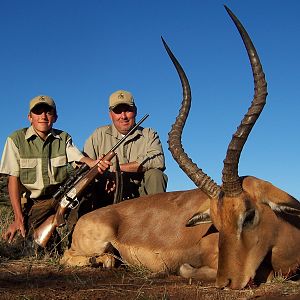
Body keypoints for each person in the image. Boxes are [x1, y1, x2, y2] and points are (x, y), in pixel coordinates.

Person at [0, 95, 96, 245]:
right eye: (38, 112)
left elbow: (79, 158)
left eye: (48, 112)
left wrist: (94, 163)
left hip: (60, 197)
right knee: (29, 242)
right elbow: (13, 179)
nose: (43, 116)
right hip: (34, 204)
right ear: (29, 117)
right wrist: (18, 217)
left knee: (82, 224)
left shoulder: (64, 137)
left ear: (55, 117)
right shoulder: (15, 139)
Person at [83, 89, 167, 207]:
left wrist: (116, 168)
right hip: (107, 194)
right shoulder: (98, 134)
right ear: (110, 114)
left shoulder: (149, 134)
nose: (123, 116)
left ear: (135, 111)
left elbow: (158, 161)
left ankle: (157, 218)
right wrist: (102, 173)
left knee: (156, 175)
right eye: (117, 111)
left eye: (128, 110)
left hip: (140, 194)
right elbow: (83, 166)